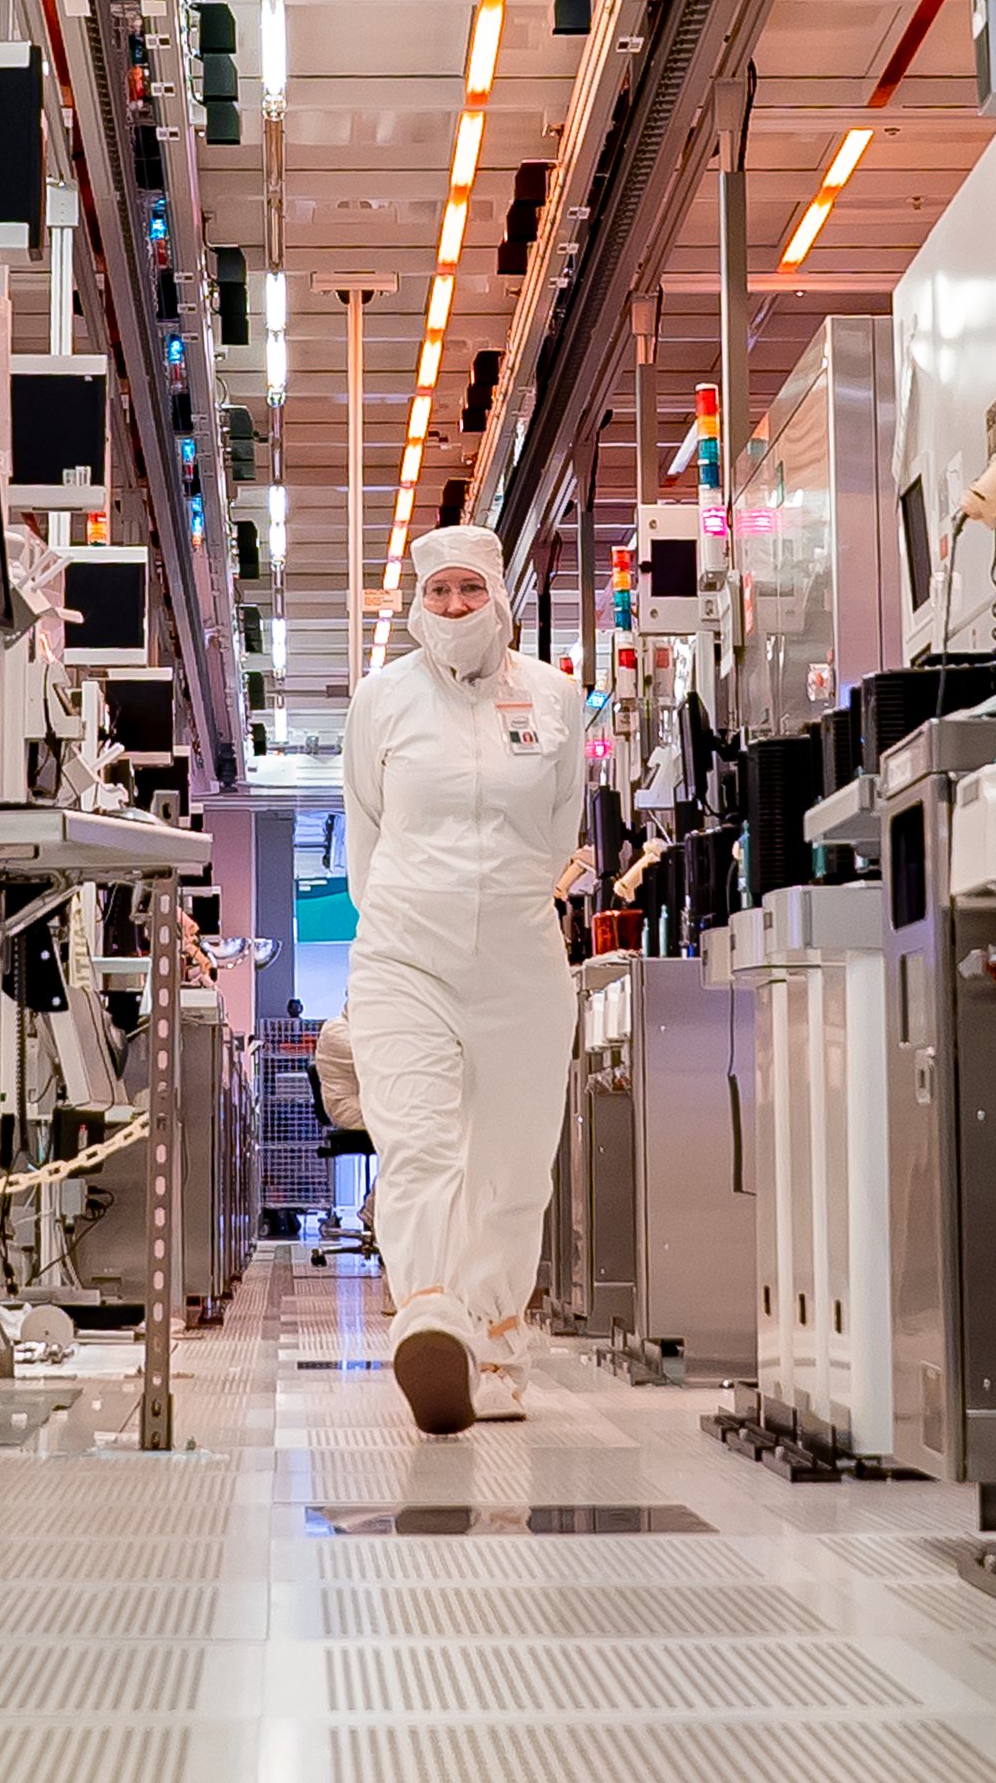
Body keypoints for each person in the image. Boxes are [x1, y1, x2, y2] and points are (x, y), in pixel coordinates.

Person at [338, 523, 587, 1434]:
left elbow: (561, 830)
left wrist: (505, 905)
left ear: (499, 597)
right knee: (419, 1143)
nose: (451, 609)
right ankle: (432, 1313)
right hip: (405, 953)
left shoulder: (556, 698)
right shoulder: (383, 700)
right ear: (416, 603)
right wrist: (421, 913)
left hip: (522, 960)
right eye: (436, 593)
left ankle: (498, 1340)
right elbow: (365, 836)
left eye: (467, 592)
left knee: (515, 1168)